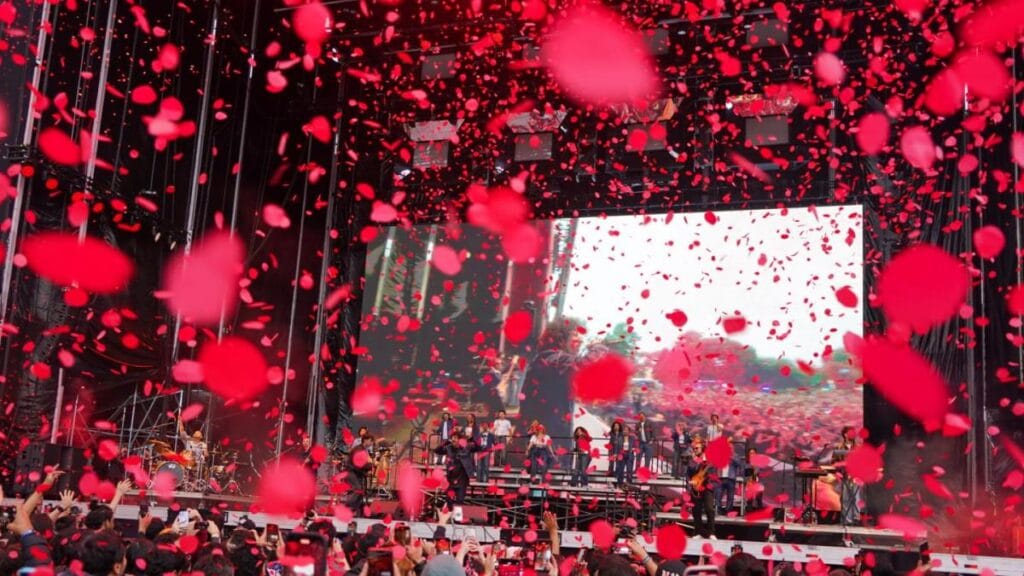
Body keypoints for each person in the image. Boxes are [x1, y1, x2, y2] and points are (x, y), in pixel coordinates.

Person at [520, 322, 579, 444]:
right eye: (575, 335)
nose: (580, 340)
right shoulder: (557, 359)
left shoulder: (543, 359)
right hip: (551, 442)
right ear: (561, 339)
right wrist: (598, 349)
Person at [434, 430, 480, 504]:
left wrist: (472, 439)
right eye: (452, 438)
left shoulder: (466, 448)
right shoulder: (448, 448)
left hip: (462, 479)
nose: (453, 439)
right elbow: (437, 451)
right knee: (449, 500)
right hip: (451, 479)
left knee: (460, 500)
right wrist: (444, 443)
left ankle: (457, 513)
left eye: (455, 438)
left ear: (459, 440)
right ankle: (450, 512)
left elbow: (478, 448)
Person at [688, 437, 717, 539]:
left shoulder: (709, 459)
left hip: (707, 487)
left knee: (709, 509)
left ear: (703, 448)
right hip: (696, 487)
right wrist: (695, 461)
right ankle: (698, 532)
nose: (695, 450)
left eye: (697, 448)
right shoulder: (692, 460)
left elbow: (713, 473)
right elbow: (690, 472)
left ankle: (711, 533)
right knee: (696, 510)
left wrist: (706, 476)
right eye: (694, 448)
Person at [834, 426, 863, 525]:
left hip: (856, 476)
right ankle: (847, 520)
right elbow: (834, 462)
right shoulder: (839, 448)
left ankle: (856, 519)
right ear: (845, 434)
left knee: (856, 498)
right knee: (845, 498)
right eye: (850, 432)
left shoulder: (859, 447)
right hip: (844, 476)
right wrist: (837, 472)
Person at [715, 438, 745, 514]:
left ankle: (728, 510)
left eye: (730, 448)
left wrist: (731, 456)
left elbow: (739, 464)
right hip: (721, 477)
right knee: (719, 494)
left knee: (730, 496)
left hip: (731, 478)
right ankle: (718, 509)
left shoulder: (736, 456)